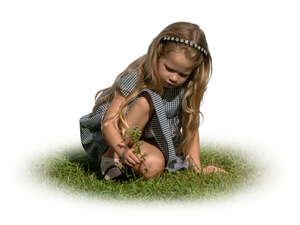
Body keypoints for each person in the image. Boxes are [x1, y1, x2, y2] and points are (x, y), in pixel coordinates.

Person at [79, 21, 227, 181]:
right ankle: (109, 161)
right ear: (157, 54)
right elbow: (108, 123)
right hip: (117, 139)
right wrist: (121, 150)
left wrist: (197, 168)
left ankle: (130, 162)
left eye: (182, 74)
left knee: (152, 167)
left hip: (150, 140)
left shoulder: (187, 87)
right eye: (169, 69)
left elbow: (190, 126)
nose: (174, 78)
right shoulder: (137, 77)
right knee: (146, 101)